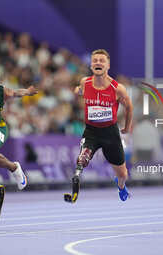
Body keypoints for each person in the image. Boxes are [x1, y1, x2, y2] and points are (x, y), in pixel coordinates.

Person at [66, 49, 133, 202]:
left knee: (123, 175)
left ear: (108, 65)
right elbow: (80, 89)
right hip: (91, 132)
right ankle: (79, 173)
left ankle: (121, 186)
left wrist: (127, 127)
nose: (98, 63)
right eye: (95, 60)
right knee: (82, 159)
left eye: (102, 60)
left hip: (111, 134)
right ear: (91, 65)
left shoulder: (118, 89)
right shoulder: (85, 82)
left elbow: (129, 107)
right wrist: (78, 91)